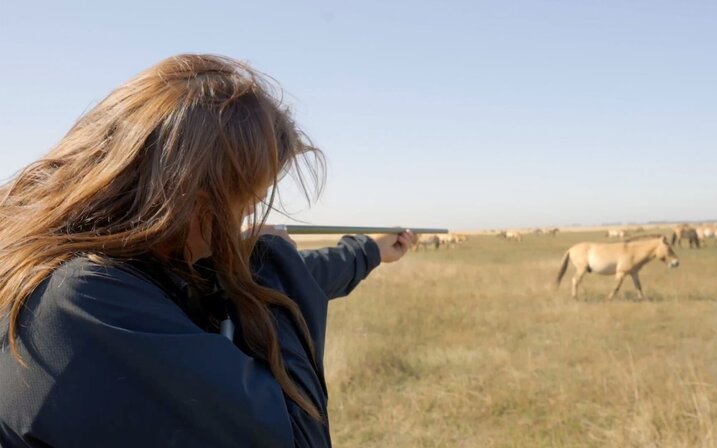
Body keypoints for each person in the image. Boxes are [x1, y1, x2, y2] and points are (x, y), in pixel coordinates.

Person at [0, 54, 417, 447]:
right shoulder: (88, 302)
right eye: (244, 206)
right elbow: (298, 435)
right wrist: (270, 256)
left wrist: (371, 252)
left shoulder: (88, 268)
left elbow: (292, 276)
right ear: (194, 199)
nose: (238, 228)